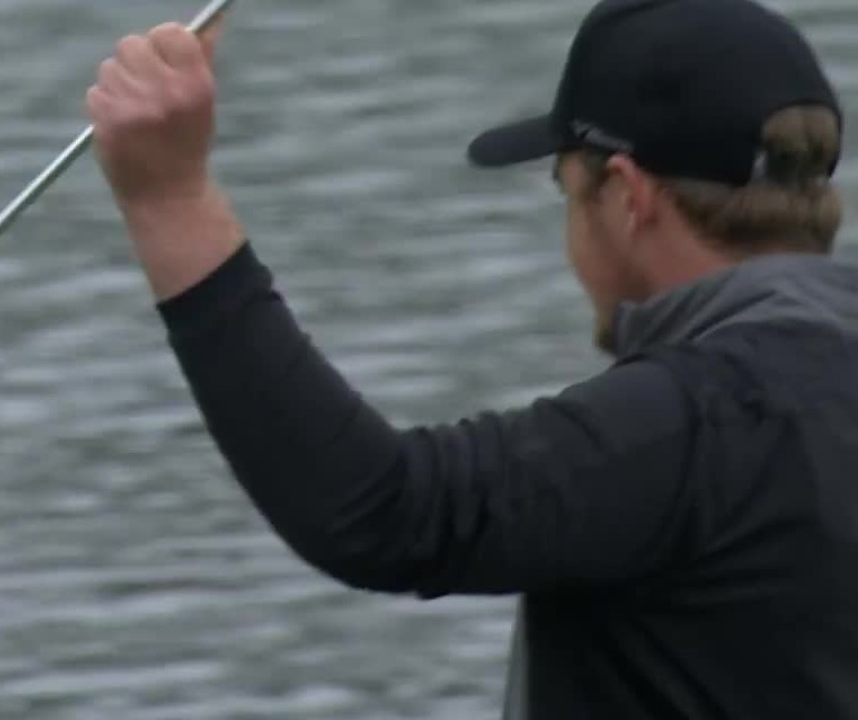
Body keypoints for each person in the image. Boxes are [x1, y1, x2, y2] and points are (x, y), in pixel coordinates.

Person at [84, 0, 858, 717]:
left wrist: (168, 199)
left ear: (628, 195)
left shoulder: (697, 422)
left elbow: (382, 511)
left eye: (566, 190)